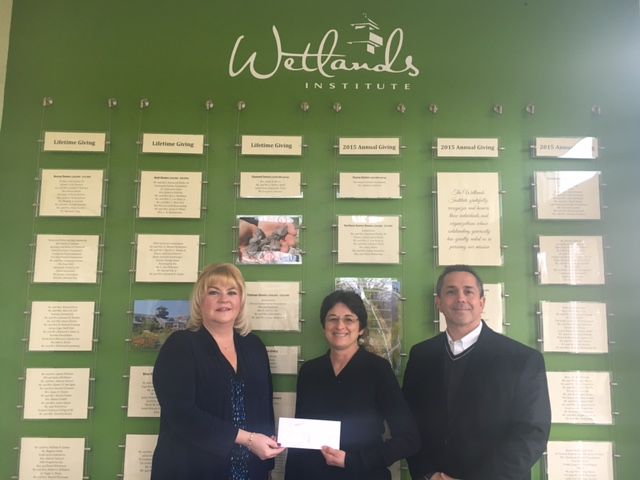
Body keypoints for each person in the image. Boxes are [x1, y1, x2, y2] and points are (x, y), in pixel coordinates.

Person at [403, 265, 551, 480]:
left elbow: (532, 432)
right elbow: (408, 421)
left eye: (469, 291)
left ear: (481, 302)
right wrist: (428, 473)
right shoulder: (421, 355)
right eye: (451, 291)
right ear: (439, 303)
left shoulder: (523, 359)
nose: (460, 298)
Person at [151, 263, 284, 480]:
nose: (224, 299)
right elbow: (182, 414)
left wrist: (266, 461)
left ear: (241, 301)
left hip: (250, 470)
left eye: (232, 292)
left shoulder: (254, 346)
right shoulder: (181, 346)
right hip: (192, 469)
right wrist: (248, 439)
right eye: (214, 292)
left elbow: (264, 408)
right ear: (200, 301)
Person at [285, 290, 420, 480]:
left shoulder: (378, 369)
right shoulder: (310, 371)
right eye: (332, 319)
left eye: (349, 319)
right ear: (324, 325)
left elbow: (409, 439)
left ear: (361, 328)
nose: (340, 326)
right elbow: (298, 440)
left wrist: (354, 460)